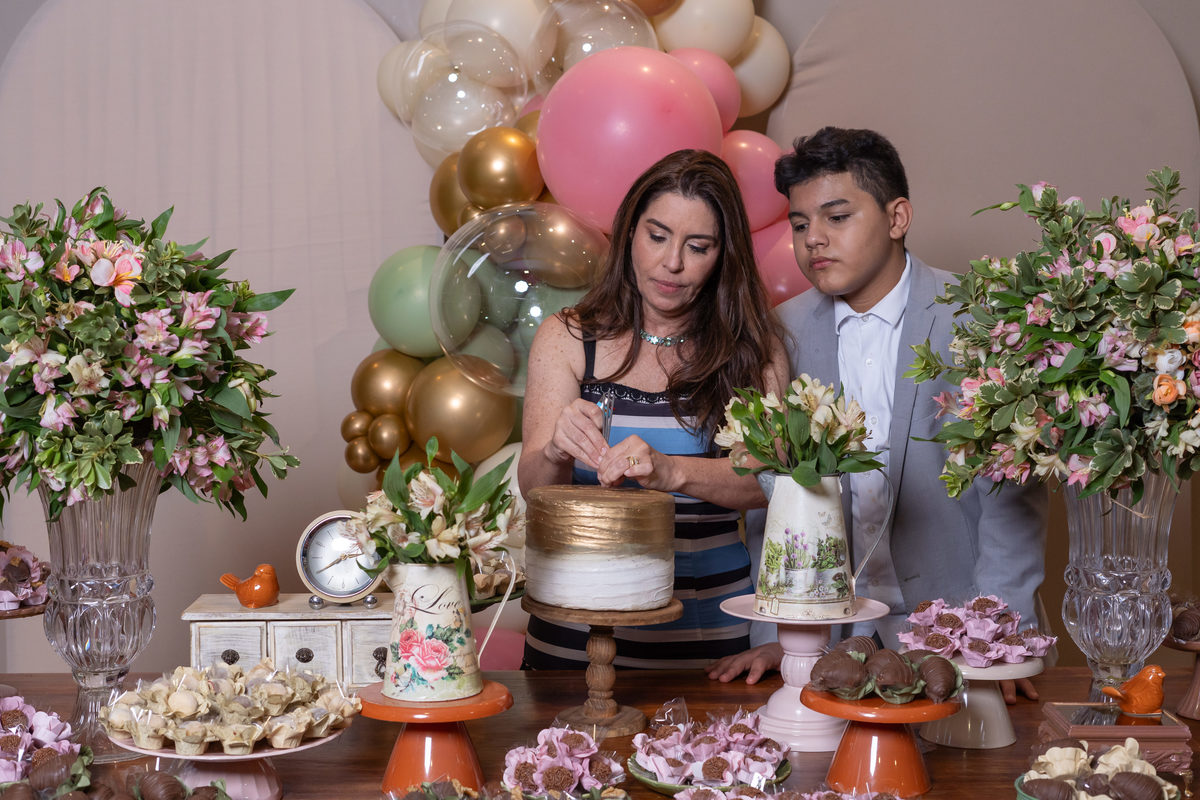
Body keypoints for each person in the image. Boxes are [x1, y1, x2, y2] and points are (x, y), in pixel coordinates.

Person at [706, 127, 1048, 702]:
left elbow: (1011, 494)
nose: (814, 239)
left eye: (837, 217)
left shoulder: (979, 319)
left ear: (897, 217)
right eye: (799, 224)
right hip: (828, 637)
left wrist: (999, 636)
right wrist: (777, 633)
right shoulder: (780, 333)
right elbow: (776, 496)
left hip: (959, 628)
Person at [518, 149, 789, 669]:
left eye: (698, 246)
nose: (672, 263)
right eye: (657, 236)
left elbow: (768, 483)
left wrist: (670, 471)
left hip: (706, 643)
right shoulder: (568, 337)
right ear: (629, 235)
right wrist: (554, 450)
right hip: (572, 638)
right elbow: (534, 487)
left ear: (724, 255)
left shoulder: (753, 348)